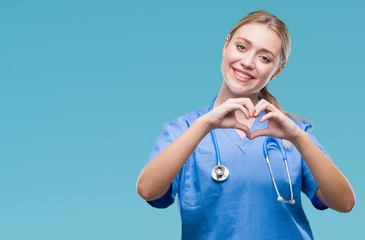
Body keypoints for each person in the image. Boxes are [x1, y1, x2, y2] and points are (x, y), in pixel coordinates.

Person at [136, 10, 355, 240]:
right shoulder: (184, 129)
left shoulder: (294, 133)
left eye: (265, 58)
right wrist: (205, 125)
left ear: (277, 71)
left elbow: (344, 202)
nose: (248, 62)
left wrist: (298, 138)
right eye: (242, 47)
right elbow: (148, 190)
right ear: (225, 45)